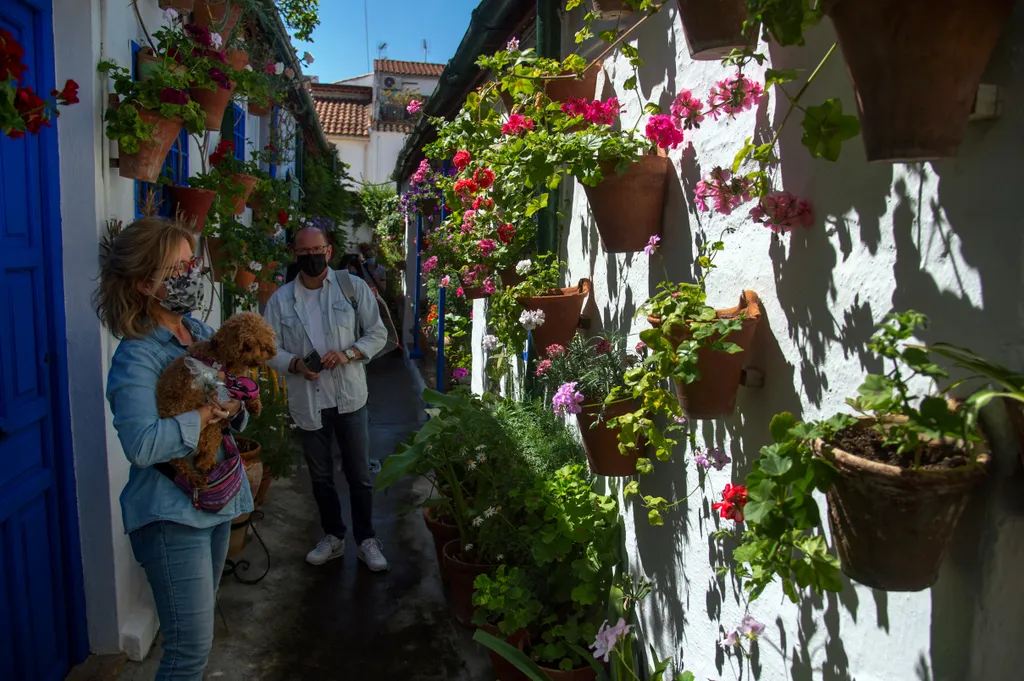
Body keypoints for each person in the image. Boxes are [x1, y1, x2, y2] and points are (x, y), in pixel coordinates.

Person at [96, 217, 252, 681]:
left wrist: (234, 406)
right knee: (188, 652)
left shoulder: (198, 330)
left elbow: (228, 413)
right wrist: (204, 416)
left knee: (196, 644)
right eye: (177, 269)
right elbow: (142, 446)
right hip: (169, 514)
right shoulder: (137, 355)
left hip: (213, 499)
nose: (192, 274)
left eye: (192, 263)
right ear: (146, 284)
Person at [263, 226, 389, 570]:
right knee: (320, 477)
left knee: (359, 474)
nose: (312, 258)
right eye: (304, 253)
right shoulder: (280, 299)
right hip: (308, 401)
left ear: (329, 251)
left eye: (317, 250)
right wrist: (293, 363)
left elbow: (377, 333)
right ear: (295, 254)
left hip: (350, 398)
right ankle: (333, 537)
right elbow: (267, 346)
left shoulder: (352, 287)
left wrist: (349, 353)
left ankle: (366, 540)